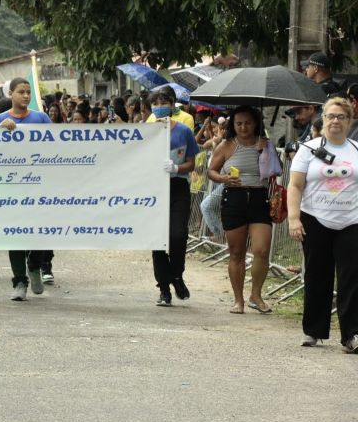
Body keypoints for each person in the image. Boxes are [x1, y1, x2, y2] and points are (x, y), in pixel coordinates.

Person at [288, 97, 358, 352]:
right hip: (315, 218)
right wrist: (294, 218)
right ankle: (313, 331)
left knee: (351, 277)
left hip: (351, 221)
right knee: (318, 274)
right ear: (323, 118)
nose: (335, 121)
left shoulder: (356, 150)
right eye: (331, 116)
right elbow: (295, 186)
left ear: (350, 121)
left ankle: (351, 335)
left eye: (341, 117)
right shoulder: (308, 149)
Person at [207, 106, 273, 314]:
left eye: (248, 123)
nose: (243, 127)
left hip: (259, 197)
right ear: (233, 126)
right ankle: (238, 300)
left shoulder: (265, 144)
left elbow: (275, 171)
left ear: (256, 124)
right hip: (234, 198)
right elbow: (211, 171)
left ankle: (256, 294)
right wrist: (224, 179)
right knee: (236, 252)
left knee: (262, 250)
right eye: (239, 123)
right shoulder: (226, 145)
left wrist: (266, 151)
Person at [0, 77, 52, 300]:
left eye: (28, 92)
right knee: (14, 234)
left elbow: (58, 146)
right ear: (11, 95)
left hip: (38, 186)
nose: (26, 96)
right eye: (21, 92)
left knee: (39, 232)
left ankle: (34, 266)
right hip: (10, 187)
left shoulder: (41, 118)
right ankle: (19, 282)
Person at [149, 88, 199, 306]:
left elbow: (192, 162)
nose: (159, 106)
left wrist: (177, 168)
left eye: (164, 102)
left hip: (178, 187)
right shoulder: (146, 130)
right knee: (157, 239)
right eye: (155, 103)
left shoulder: (184, 131)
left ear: (172, 105)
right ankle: (163, 288)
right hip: (153, 189)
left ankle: (177, 275)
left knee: (178, 235)